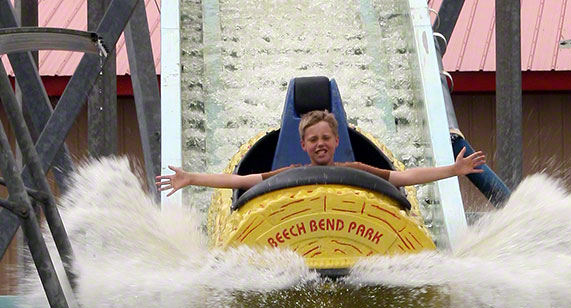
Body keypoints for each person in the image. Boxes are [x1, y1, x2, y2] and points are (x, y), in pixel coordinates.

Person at [156, 110, 486, 197]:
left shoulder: (356, 168)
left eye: (325, 137)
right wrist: (191, 178)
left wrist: (452, 170)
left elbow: (405, 178)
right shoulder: (289, 174)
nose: (320, 144)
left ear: (336, 139)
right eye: (313, 139)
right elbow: (241, 181)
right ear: (303, 146)